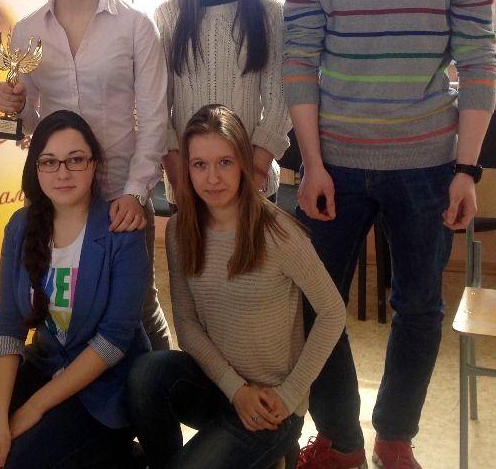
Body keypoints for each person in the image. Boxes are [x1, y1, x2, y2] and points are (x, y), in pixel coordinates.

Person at [283, 0, 496, 469]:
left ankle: (395, 436)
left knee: (420, 307)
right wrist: (312, 164)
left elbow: (480, 65)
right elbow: (299, 66)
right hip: (336, 165)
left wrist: (466, 169)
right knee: (313, 302)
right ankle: (341, 438)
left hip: (427, 164)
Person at [126, 104, 343, 469]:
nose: (212, 178)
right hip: (219, 386)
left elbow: (332, 312)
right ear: (186, 169)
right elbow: (187, 325)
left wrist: (290, 395)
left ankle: (273, 451)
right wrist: (235, 389)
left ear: (243, 163)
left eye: (224, 162)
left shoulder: (278, 232)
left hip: (272, 405)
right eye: (200, 164)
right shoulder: (181, 231)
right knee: (146, 373)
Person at [0, 0, 171, 350]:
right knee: (64, 302)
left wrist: (136, 192)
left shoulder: (135, 26)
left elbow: (155, 117)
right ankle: (79, 386)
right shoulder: (27, 31)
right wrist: (12, 107)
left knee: (139, 305)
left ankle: (159, 386)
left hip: (120, 194)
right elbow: (27, 129)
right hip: (59, 195)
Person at [0, 109, 150, 469]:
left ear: (95, 164)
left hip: (105, 384)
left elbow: (113, 341)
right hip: (48, 364)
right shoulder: (21, 227)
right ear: (35, 169)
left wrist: (33, 408)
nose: (63, 173)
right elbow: (9, 327)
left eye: (76, 160)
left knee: (19, 460)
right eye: (49, 162)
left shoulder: (121, 231)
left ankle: (118, 455)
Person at [154, 0, 290, 202]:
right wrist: (180, 179)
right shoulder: (169, 15)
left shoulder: (269, 13)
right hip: (189, 186)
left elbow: (280, 103)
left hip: (252, 184)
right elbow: (157, 107)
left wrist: (252, 175)